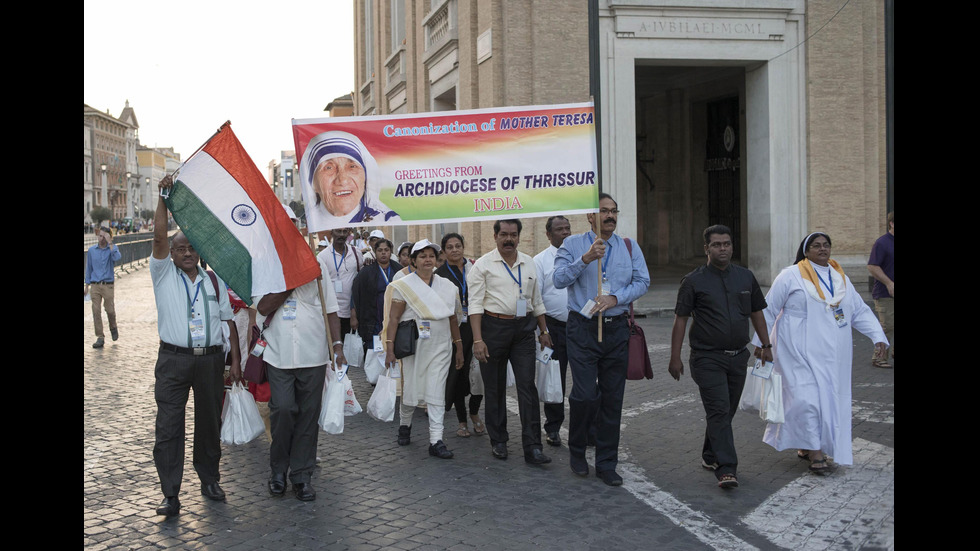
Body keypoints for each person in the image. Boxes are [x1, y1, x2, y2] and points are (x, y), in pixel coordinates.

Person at [751, 232, 888, 474]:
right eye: (816, 245)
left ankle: (807, 444)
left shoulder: (839, 277)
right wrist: (762, 343)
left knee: (827, 400)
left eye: (826, 245)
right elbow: (768, 309)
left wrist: (878, 336)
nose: (822, 249)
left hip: (832, 352)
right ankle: (816, 453)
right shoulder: (790, 275)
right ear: (806, 251)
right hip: (795, 348)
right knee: (806, 399)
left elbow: (858, 311)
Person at [150, 174, 242, 517]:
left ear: (198, 251)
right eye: (180, 249)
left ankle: (209, 478)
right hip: (173, 360)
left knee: (209, 423)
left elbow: (227, 321)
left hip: (210, 361)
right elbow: (160, 234)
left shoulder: (212, 280)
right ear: (170, 253)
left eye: (191, 248)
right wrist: (164, 196)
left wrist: (233, 360)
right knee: (169, 426)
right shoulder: (162, 274)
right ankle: (170, 493)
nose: (187, 253)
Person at [553, 193, 650, 485]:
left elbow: (643, 281)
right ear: (591, 217)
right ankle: (578, 449)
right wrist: (585, 259)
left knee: (612, 398)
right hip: (582, 328)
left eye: (613, 211)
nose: (610, 216)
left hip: (616, 329)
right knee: (584, 395)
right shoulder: (572, 245)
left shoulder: (629, 247)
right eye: (604, 211)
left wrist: (615, 297)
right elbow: (558, 280)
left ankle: (607, 462)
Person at [667, 225, 773, 489]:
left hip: (738, 357)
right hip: (707, 358)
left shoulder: (746, 277)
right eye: (717, 245)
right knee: (718, 410)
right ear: (707, 249)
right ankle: (726, 468)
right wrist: (675, 357)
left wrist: (766, 344)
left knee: (726, 411)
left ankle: (710, 454)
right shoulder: (693, 281)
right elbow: (680, 319)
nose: (723, 249)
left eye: (727, 244)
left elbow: (757, 312)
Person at [253, 254, 346, 501]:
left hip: (313, 352)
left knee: (308, 414)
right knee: (282, 409)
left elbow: (331, 309)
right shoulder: (265, 265)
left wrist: (337, 346)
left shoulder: (317, 265)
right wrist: (294, 277)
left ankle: (302, 476)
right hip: (278, 354)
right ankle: (278, 472)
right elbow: (262, 307)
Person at [468, 219, 553, 465]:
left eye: (513, 235)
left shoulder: (529, 263)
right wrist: (478, 340)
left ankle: (533, 447)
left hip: (524, 331)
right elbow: (474, 305)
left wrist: (544, 330)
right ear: (495, 237)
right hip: (492, 329)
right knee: (494, 388)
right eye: (504, 234)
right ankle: (499, 441)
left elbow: (537, 300)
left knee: (527, 387)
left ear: (519, 237)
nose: (509, 239)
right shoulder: (482, 266)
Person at [382, 239, 464, 459]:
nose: (427, 260)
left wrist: (459, 347)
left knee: (436, 392)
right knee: (411, 389)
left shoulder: (448, 287)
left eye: (431, 255)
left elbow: (454, 319)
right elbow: (393, 319)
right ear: (414, 260)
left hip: (441, 346)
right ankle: (405, 425)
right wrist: (389, 349)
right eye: (422, 256)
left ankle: (436, 440)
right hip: (413, 348)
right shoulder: (404, 285)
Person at [435, 233, 485, 438]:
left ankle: (474, 412)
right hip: (453, 330)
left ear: (463, 247)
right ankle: (462, 420)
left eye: (458, 246)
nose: (454, 250)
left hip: (477, 325)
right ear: (444, 252)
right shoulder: (439, 275)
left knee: (479, 373)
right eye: (450, 247)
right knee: (458, 374)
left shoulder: (476, 268)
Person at [299, 131, 400, 229]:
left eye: (352, 166)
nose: (342, 180)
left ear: (365, 178)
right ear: (313, 183)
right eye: (329, 167)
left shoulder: (386, 219)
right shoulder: (307, 223)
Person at [532, 216, 572, 447]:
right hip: (554, 328)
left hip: (581, 327)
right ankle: (553, 427)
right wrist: (543, 330)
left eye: (567, 228)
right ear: (548, 234)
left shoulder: (581, 256)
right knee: (555, 379)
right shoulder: (540, 261)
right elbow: (536, 298)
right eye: (559, 229)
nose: (565, 233)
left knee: (587, 381)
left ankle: (585, 428)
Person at [351, 238, 402, 361]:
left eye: (386, 250)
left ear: (391, 252)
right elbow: (355, 293)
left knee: (394, 350)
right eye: (380, 250)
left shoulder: (398, 270)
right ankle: (374, 378)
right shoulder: (366, 272)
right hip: (373, 319)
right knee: (375, 355)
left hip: (395, 317)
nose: (383, 253)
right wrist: (353, 315)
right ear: (374, 252)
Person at [317, 227, 363, 337]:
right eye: (338, 231)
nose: (341, 235)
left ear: (348, 233)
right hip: (332, 312)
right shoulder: (322, 256)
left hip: (353, 312)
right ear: (332, 232)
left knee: (351, 349)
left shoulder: (356, 253)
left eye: (344, 231)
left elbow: (361, 278)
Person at [86, 225, 122, 348]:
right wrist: (86, 285)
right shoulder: (91, 250)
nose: (100, 238)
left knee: (110, 310)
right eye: (99, 235)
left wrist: (110, 243)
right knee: (96, 311)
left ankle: (113, 326)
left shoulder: (112, 249)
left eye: (103, 236)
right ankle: (100, 337)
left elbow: (117, 257)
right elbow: (89, 268)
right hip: (95, 285)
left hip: (108, 285)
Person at [867, 212, 894, 368]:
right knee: (887, 326)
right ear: (891, 223)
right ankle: (879, 357)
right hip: (885, 294)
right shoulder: (882, 243)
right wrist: (889, 283)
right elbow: (872, 266)